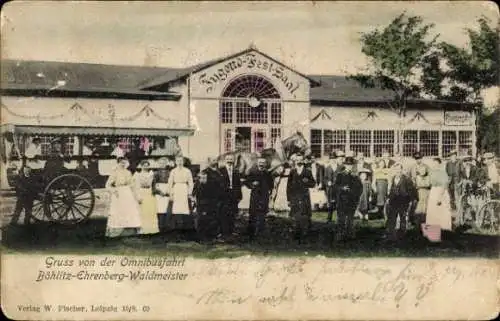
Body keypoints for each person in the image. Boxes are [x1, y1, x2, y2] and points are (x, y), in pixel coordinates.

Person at [104, 157, 142, 239]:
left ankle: (130, 231)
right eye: (121, 163)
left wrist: (137, 196)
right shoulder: (115, 173)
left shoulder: (128, 172)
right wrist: (113, 190)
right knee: (119, 211)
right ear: (118, 163)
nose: (123, 164)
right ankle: (117, 232)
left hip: (127, 193)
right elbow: (107, 185)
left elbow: (132, 185)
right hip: (118, 193)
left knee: (129, 210)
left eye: (124, 162)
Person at [287, 153, 316, 242]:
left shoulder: (307, 171)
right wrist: (289, 199)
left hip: (304, 197)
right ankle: (295, 235)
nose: (299, 161)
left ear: (303, 160)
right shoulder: (292, 171)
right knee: (295, 216)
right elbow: (288, 186)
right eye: (297, 160)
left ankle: (305, 235)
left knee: (305, 216)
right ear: (295, 161)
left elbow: (313, 183)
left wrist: (307, 181)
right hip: (294, 198)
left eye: (300, 159)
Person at [385, 163, 418, 241]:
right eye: (396, 169)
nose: (398, 171)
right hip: (394, 201)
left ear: (401, 170)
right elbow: (392, 190)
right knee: (392, 217)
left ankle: (402, 233)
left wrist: (410, 200)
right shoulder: (393, 178)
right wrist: (389, 198)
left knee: (403, 217)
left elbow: (411, 191)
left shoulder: (406, 179)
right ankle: (391, 233)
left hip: (403, 201)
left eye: (399, 169)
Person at [195, 157, 224, 241]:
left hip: (216, 199)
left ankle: (213, 236)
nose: (215, 162)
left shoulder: (219, 172)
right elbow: (199, 187)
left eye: (215, 160)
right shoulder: (204, 172)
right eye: (213, 160)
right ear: (209, 162)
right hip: (206, 199)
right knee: (204, 218)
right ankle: (202, 236)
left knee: (214, 218)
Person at [333, 156, 363, 241]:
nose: (349, 166)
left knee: (350, 217)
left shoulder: (355, 176)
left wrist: (356, 195)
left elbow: (360, 188)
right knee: (341, 218)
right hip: (342, 200)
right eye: (348, 165)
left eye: (351, 165)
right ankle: (340, 234)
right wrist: (342, 188)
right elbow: (335, 186)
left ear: (353, 166)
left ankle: (350, 233)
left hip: (351, 200)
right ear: (345, 165)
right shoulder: (340, 175)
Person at [244, 157, 274, 241]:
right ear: (257, 163)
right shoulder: (253, 172)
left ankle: (261, 233)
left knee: (262, 214)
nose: (261, 164)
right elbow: (246, 182)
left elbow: (271, 185)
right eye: (260, 162)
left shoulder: (268, 173)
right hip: (255, 196)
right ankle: (251, 233)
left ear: (265, 164)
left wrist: (269, 192)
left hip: (264, 196)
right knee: (253, 214)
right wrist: (252, 184)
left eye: (263, 163)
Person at [425, 158, 453, 236]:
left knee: (442, 210)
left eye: (437, 164)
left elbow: (444, 185)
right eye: (434, 164)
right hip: (433, 191)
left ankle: (444, 229)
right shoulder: (431, 172)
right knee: (432, 211)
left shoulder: (443, 173)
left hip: (441, 192)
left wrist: (440, 197)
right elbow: (429, 183)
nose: (435, 165)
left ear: (440, 164)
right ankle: (432, 230)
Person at [167, 155, 194, 230]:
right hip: (176, 190)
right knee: (176, 209)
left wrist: (189, 193)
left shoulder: (187, 171)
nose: (179, 162)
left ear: (183, 162)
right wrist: (171, 194)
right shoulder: (173, 171)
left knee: (185, 209)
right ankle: (176, 228)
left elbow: (191, 182)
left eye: (181, 161)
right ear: (175, 162)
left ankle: (185, 228)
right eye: (178, 161)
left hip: (184, 190)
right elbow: (170, 183)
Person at [219, 154, 242, 240]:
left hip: (234, 194)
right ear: (225, 160)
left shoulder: (236, 171)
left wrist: (239, 195)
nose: (230, 161)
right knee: (224, 213)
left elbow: (238, 184)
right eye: (228, 159)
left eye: (231, 159)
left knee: (232, 212)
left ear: (234, 160)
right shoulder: (221, 170)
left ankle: (231, 231)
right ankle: (224, 232)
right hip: (224, 195)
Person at [134, 160, 159, 236]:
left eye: (147, 165)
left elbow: (153, 185)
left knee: (150, 211)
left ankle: (151, 229)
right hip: (142, 192)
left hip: (149, 193)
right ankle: (142, 230)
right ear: (141, 166)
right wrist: (138, 196)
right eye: (144, 165)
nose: (145, 167)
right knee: (142, 211)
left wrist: (154, 192)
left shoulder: (151, 174)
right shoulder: (137, 175)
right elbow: (136, 187)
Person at [152, 157, 171, 235]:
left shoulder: (170, 173)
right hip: (159, 194)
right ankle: (160, 228)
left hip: (167, 193)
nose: (162, 164)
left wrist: (168, 191)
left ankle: (167, 229)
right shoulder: (155, 173)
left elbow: (171, 183)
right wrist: (159, 192)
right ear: (158, 164)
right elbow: (153, 185)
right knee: (159, 211)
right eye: (161, 163)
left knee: (167, 210)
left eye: (164, 163)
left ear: (166, 164)